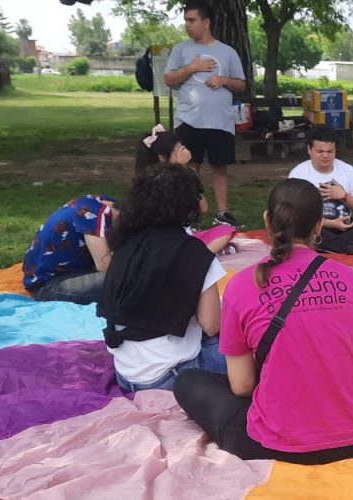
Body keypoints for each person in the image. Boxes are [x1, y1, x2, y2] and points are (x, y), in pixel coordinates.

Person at [174, 179, 353, 463]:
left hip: (274, 443)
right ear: (319, 225)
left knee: (187, 382)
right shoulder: (351, 280)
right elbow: (351, 356)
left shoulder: (242, 285)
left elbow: (242, 387)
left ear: (267, 221)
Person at [97, 164, 226, 391]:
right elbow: (211, 324)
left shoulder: (126, 244)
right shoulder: (194, 252)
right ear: (189, 204)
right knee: (246, 346)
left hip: (126, 374)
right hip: (172, 376)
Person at [163, 1, 247, 228]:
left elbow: (241, 85)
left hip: (220, 122)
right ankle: (188, 215)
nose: (187, 25)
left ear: (206, 22)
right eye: (185, 21)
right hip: (189, 120)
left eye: (192, 20)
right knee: (190, 168)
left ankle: (222, 214)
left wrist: (223, 80)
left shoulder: (227, 52)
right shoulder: (181, 49)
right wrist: (192, 68)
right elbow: (169, 79)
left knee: (220, 167)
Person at [136, 126, 236, 254]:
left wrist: (188, 173)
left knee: (225, 231)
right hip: (164, 240)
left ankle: (194, 253)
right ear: (163, 158)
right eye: (180, 150)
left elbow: (203, 207)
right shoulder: (156, 183)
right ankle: (195, 255)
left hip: (183, 236)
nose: (186, 152)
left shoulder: (184, 176)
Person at [287, 125, 353, 255]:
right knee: (297, 230)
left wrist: (344, 196)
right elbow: (293, 213)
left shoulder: (347, 170)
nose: (325, 156)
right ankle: (350, 247)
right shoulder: (298, 174)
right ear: (309, 149)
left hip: (343, 225)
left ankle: (330, 245)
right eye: (320, 152)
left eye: (330, 151)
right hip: (315, 227)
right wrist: (329, 223)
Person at [22, 194, 115, 304]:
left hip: (63, 272)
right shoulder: (95, 215)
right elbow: (105, 266)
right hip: (48, 284)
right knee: (128, 280)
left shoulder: (102, 202)